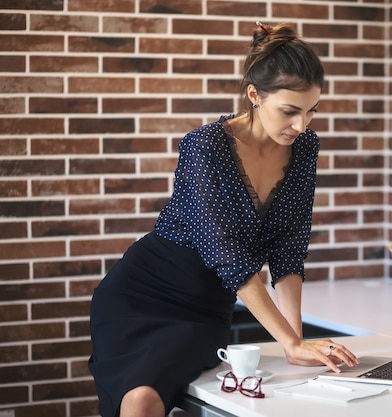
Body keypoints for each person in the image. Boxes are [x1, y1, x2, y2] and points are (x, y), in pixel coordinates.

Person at [88, 22, 359, 417]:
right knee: (140, 402)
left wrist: (296, 342)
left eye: (312, 110)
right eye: (289, 111)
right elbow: (227, 254)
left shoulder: (305, 148)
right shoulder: (204, 145)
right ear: (254, 95)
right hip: (140, 294)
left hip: (207, 307)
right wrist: (288, 341)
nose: (302, 125)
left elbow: (289, 250)